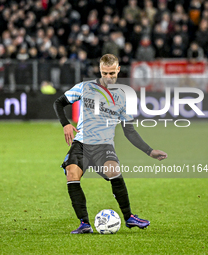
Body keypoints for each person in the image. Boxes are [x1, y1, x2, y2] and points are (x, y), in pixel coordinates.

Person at [53, 54, 168, 234]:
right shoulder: (85, 87)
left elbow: (129, 130)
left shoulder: (122, 97)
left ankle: (129, 217)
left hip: (103, 146)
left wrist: (149, 151)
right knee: (72, 173)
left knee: (113, 170)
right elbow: (59, 103)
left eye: (112, 73)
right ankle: (84, 224)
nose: (108, 77)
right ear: (100, 70)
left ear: (118, 70)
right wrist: (66, 124)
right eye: (105, 73)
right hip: (81, 143)